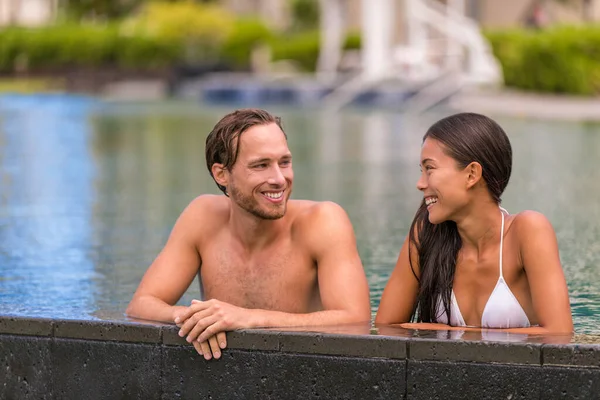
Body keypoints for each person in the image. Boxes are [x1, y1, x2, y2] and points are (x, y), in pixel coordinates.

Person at [126, 108, 371, 359]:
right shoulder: (202, 217)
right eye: (261, 165)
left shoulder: (322, 222)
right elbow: (141, 305)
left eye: (284, 162)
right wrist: (199, 320)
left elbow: (356, 321)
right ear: (221, 174)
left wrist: (249, 318)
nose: (279, 179)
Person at [375, 112, 573, 334]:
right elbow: (385, 328)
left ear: (471, 174)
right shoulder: (426, 235)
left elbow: (559, 333)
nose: (420, 184)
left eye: (429, 169)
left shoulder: (527, 231)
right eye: (421, 171)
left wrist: (454, 332)